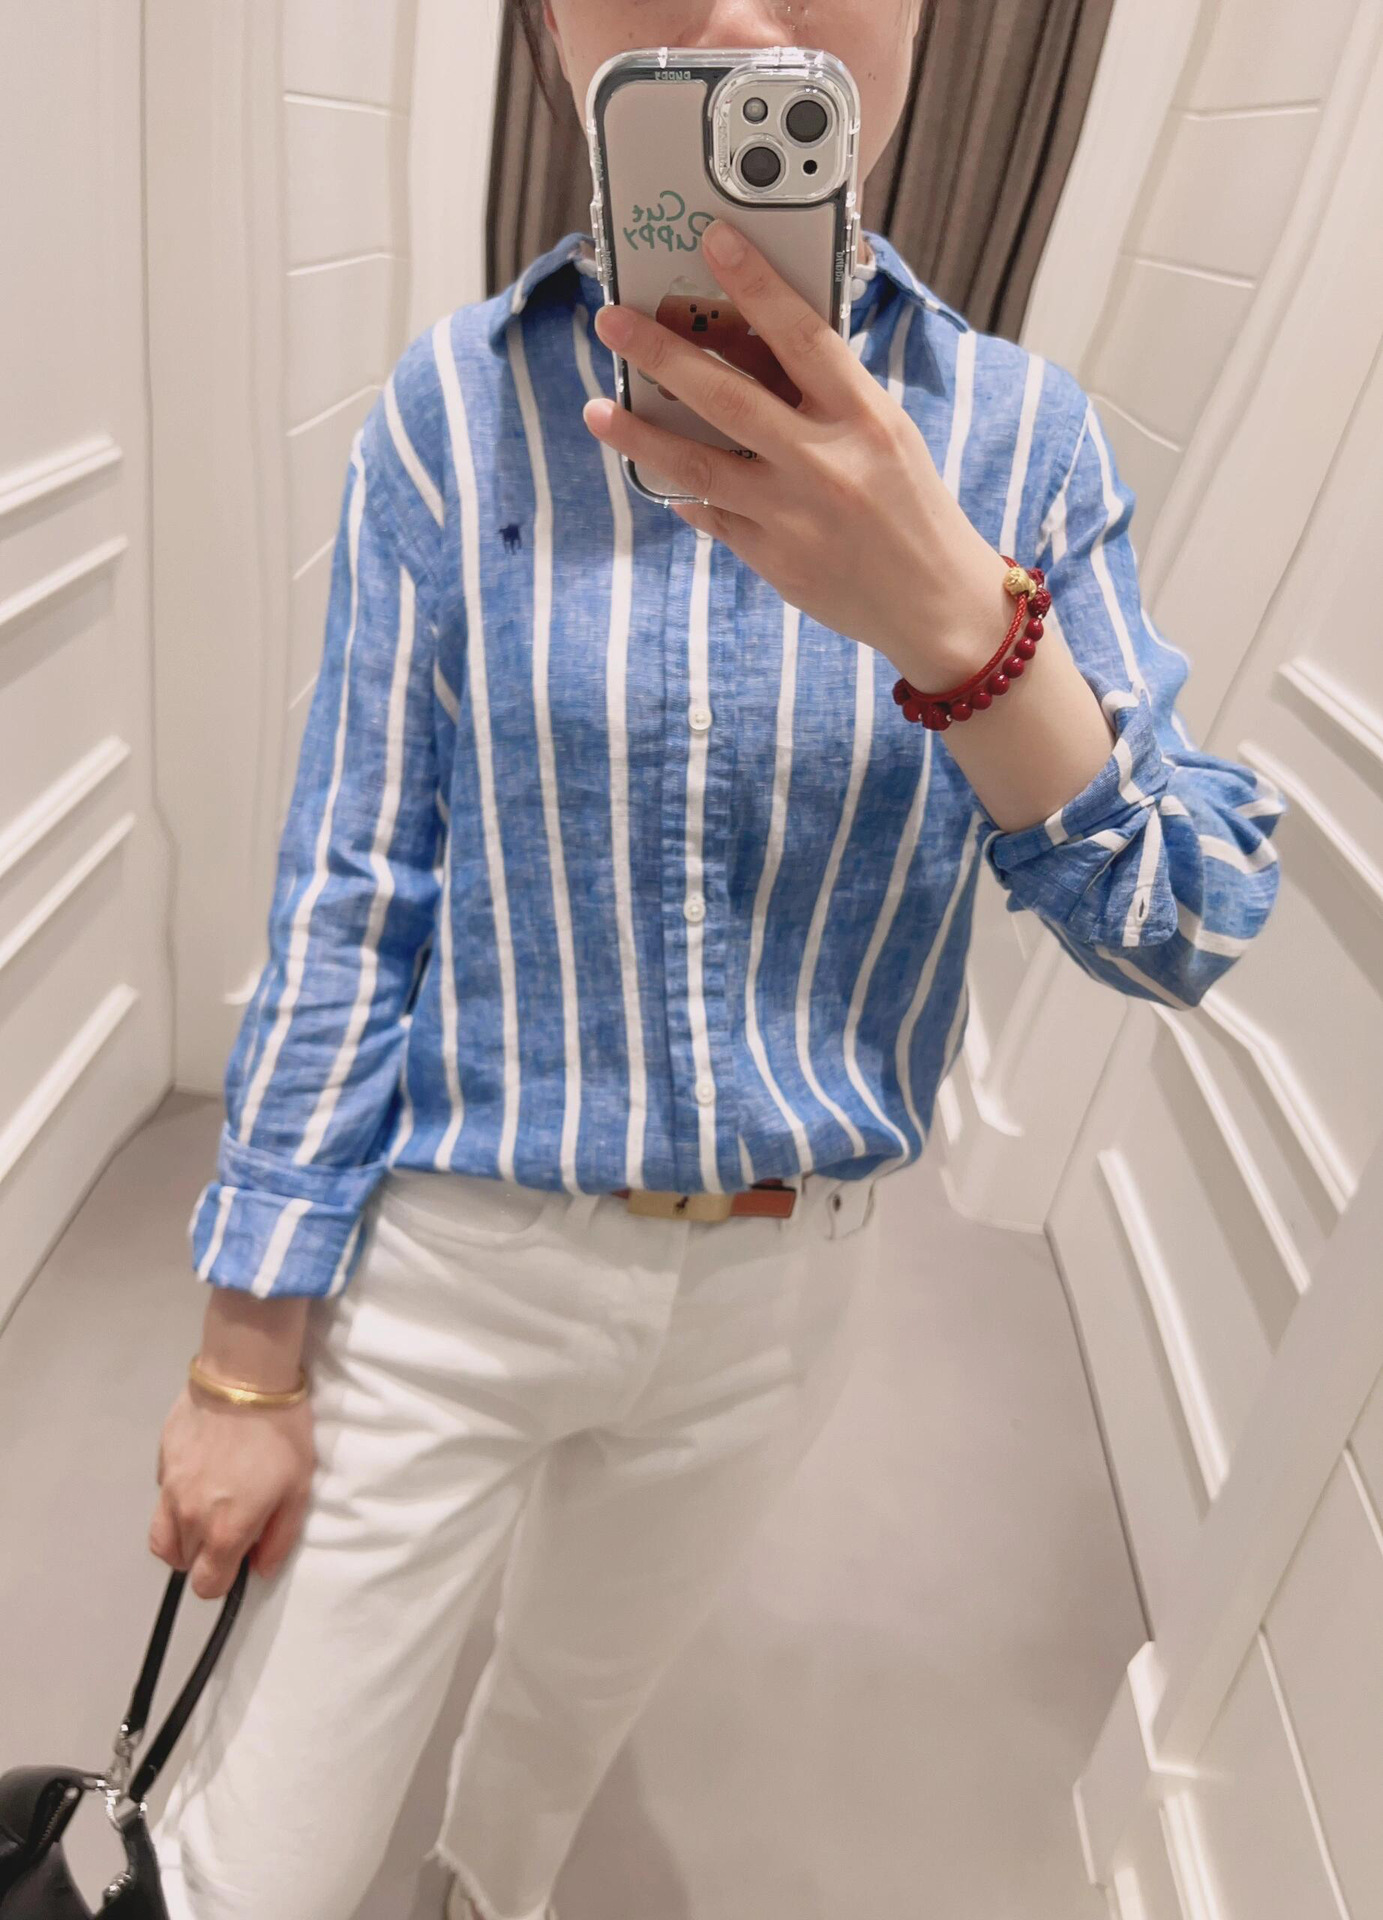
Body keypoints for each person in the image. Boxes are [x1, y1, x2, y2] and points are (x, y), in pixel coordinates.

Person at [145, 3, 1287, 1917]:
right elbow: (354, 891)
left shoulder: (1016, 445)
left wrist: (963, 630)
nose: (746, 16)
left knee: (544, 1757)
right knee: (254, 1862)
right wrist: (243, 1368)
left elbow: (1187, 924)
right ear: (548, 28)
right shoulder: (455, 413)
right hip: (453, 1264)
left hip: (778, 1298)